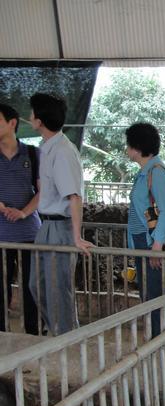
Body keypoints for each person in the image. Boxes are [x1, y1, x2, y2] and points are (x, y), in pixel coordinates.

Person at [28, 93, 93, 335]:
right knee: (38, 285)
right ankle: (57, 330)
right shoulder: (47, 148)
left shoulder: (63, 151)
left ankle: (66, 336)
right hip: (46, 225)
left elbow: (74, 196)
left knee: (57, 288)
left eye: (32, 113)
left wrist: (76, 237)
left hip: (60, 226)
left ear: (39, 120)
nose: (29, 117)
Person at [125, 122, 165, 338]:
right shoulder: (147, 172)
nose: (127, 149)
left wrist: (157, 245)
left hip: (151, 242)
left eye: (129, 144)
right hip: (144, 240)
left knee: (157, 296)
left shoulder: (156, 172)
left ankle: (162, 341)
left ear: (137, 147)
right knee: (150, 294)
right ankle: (158, 340)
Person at [0, 103, 40, 334]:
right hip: (1, 235)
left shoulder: (33, 154)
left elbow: (44, 190)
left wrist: (24, 211)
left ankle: (34, 335)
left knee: (32, 286)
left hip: (29, 234)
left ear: (12, 123)